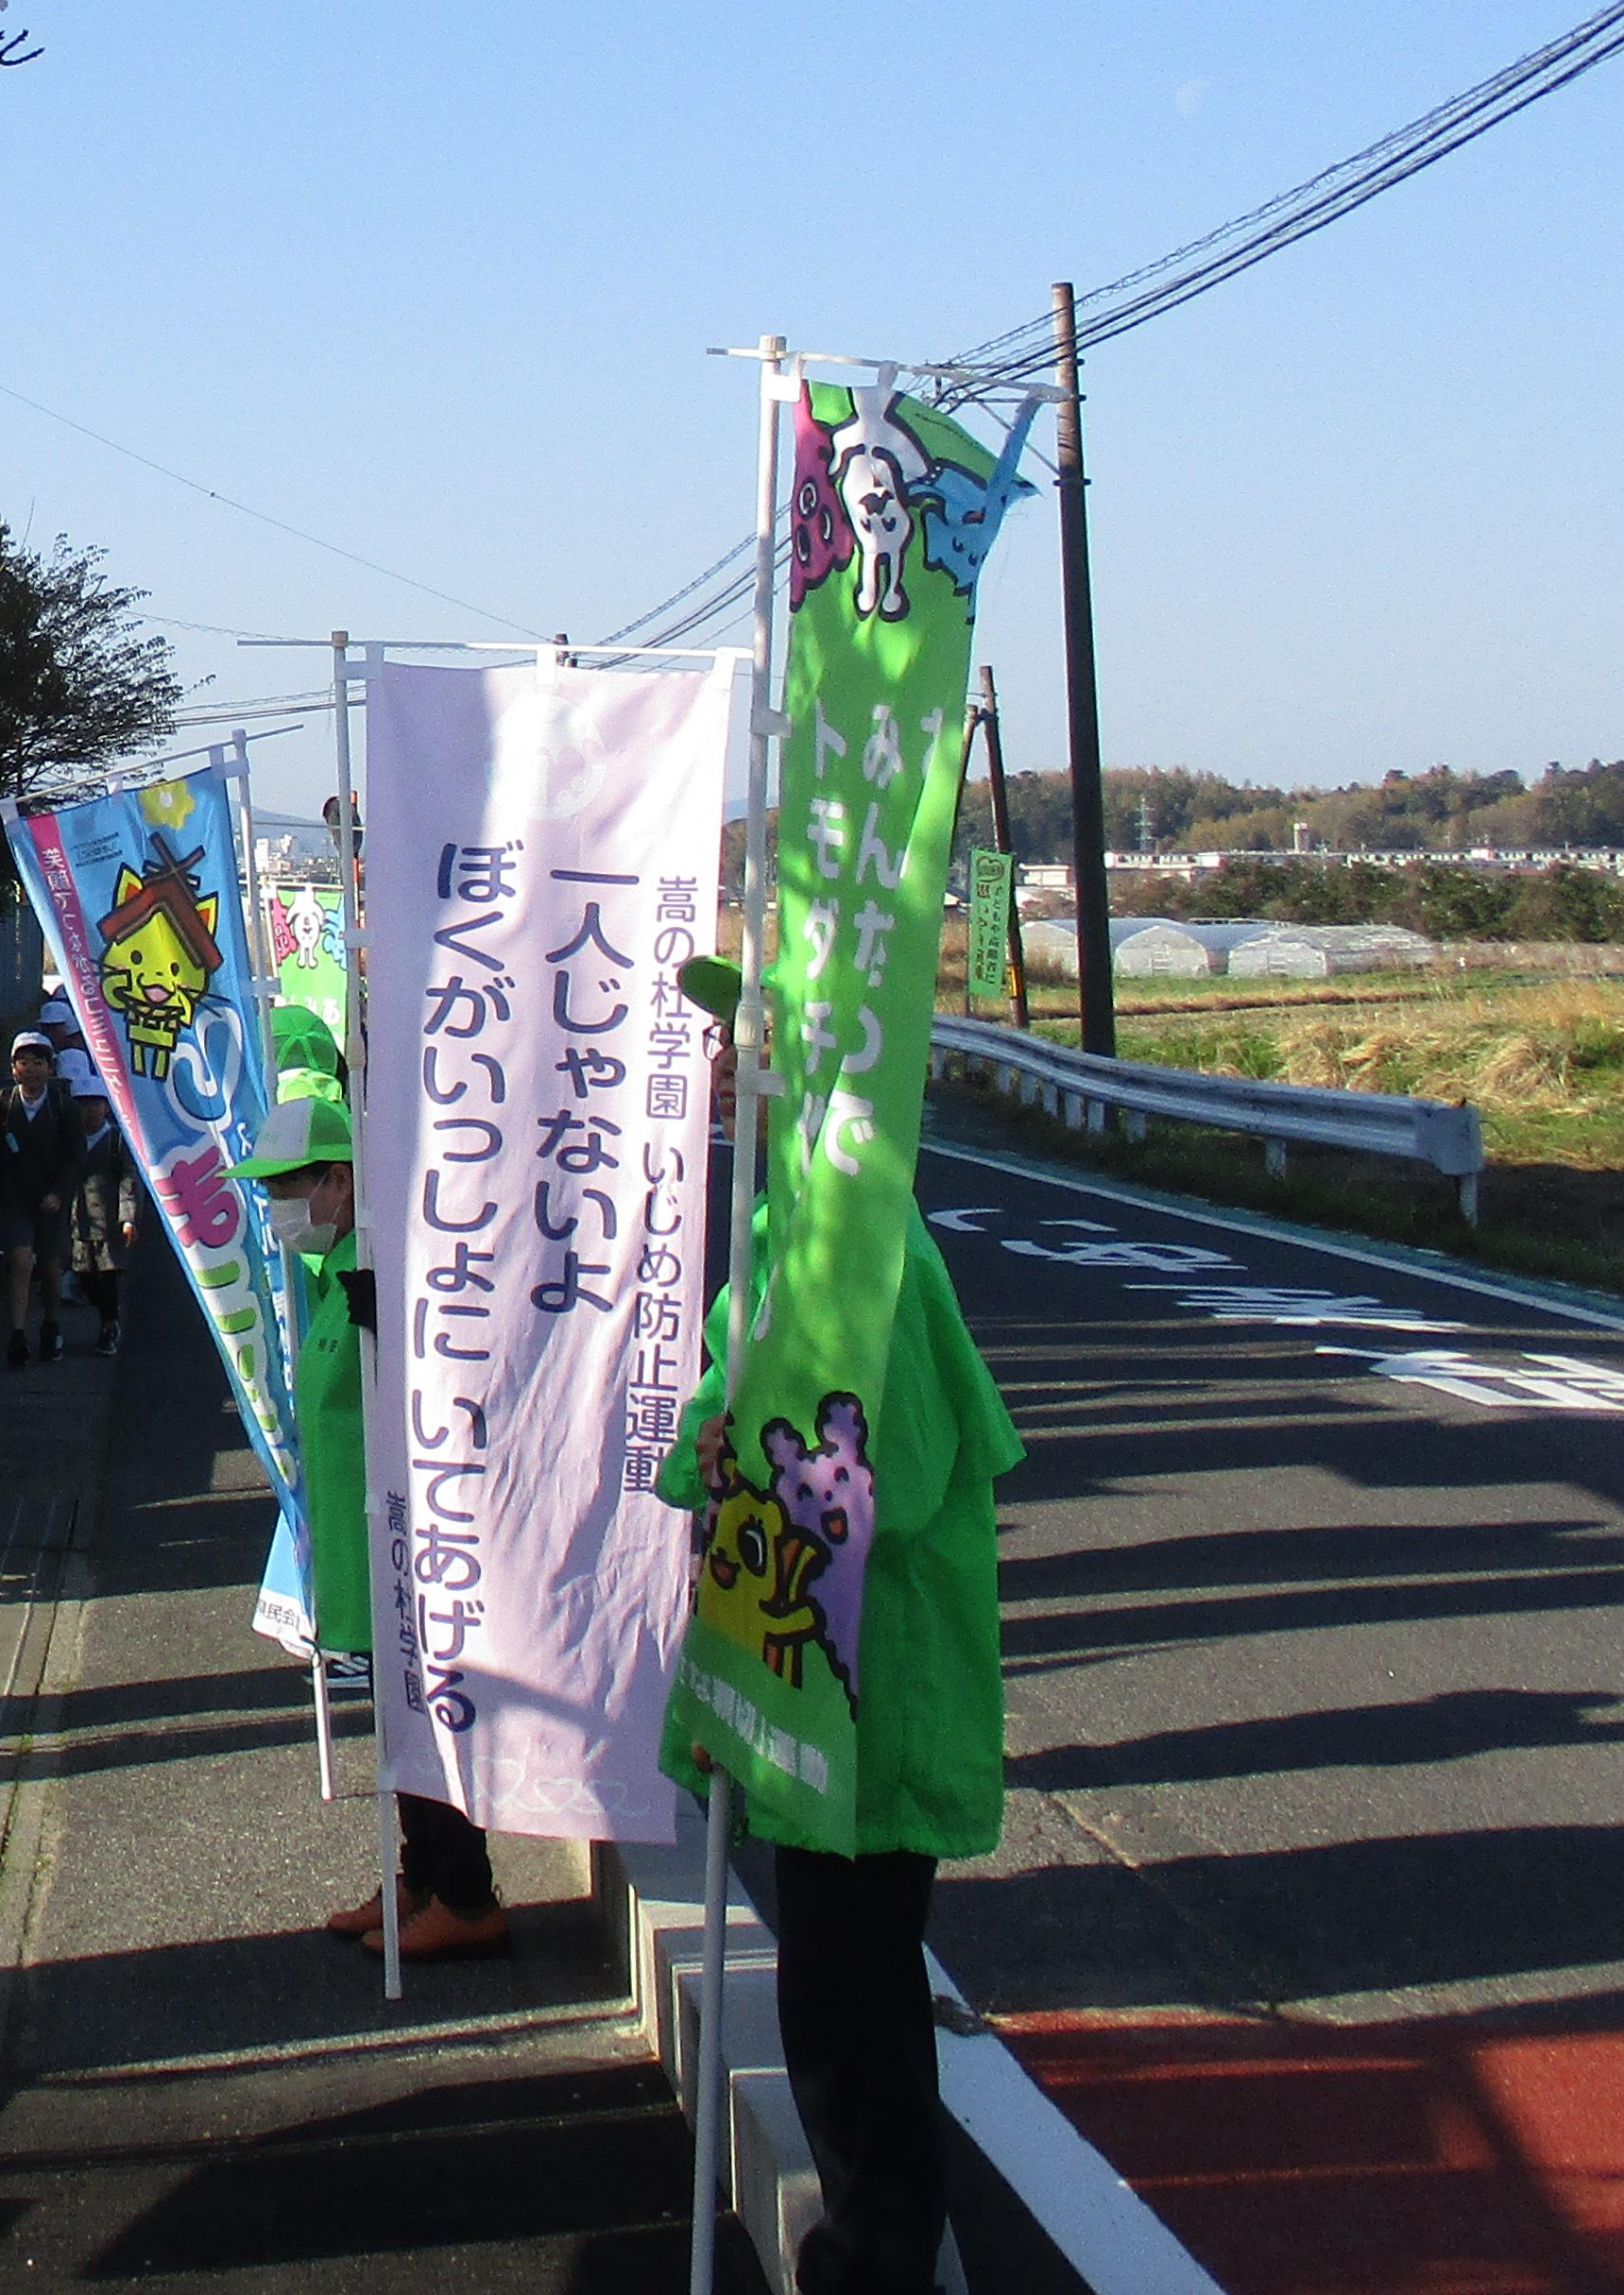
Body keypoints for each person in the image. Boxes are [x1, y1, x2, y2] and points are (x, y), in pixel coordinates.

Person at [654, 963, 1026, 2295]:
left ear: (799, 1076)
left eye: (742, 1049)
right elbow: (719, 1415)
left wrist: (759, 1459)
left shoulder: (876, 1253)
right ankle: (870, 2244)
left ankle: (879, 2255)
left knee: (854, 1993)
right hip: (812, 1678)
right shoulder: (783, 1231)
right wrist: (715, 1453)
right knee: (831, 1988)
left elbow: (899, 1479)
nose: (719, 1070)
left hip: (877, 1689)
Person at [236, 1018, 511, 1961]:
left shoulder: (395, 1260)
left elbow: (454, 1372)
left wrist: (398, 1322)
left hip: (412, 1540)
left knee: (428, 1714)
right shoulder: (334, 1267)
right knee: (397, 1717)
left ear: (340, 1179)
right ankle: (420, 1876)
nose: (278, 1207)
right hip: (367, 1543)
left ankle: (465, 1894)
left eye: (289, 1188)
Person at [0, 1025, 86, 1367]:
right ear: (13, 1069)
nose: (31, 1069)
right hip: (15, 1198)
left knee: (50, 1266)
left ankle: (51, 1325)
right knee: (21, 1260)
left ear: (51, 1068)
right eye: (23, 1063)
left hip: (50, 1202)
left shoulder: (62, 1106)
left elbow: (74, 1156)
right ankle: (18, 1333)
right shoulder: (1, 1103)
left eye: (38, 1063)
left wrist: (59, 1192)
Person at [56, 1015, 136, 1354]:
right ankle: (107, 1317)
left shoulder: (115, 1141)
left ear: (106, 1107)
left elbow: (128, 1179)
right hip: (78, 1222)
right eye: (83, 1105)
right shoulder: (68, 1141)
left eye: (96, 1104)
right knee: (84, 1276)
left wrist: (128, 1217)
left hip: (108, 1222)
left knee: (107, 1276)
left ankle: (110, 1324)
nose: (90, 1111)